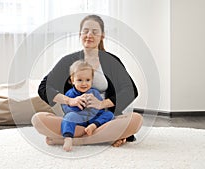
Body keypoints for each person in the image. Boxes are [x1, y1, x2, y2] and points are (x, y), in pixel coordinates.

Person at [32, 14, 143, 148]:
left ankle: (72, 139)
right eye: (85, 31)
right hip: (74, 119)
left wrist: (101, 104)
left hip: (102, 119)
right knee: (38, 119)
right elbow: (44, 87)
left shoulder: (111, 61)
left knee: (136, 119)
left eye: (95, 31)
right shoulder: (68, 61)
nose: (89, 35)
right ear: (80, 34)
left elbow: (131, 90)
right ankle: (106, 137)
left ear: (102, 35)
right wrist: (70, 101)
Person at [61, 60, 114, 151]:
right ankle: (68, 137)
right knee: (68, 117)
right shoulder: (69, 94)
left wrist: (94, 106)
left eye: (88, 80)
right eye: (80, 80)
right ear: (72, 80)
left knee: (109, 114)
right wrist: (76, 105)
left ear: (92, 80)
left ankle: (94, 126)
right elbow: (66, 109)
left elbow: (100, 109)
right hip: (79, 118)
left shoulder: (94, 93)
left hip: (93, 118)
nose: (84, 83)